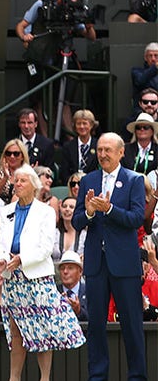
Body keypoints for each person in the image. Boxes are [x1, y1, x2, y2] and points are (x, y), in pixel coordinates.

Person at [0, 165, 85, 381]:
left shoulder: (46, 211)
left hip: (37, 278)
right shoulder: (5, 211)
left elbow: (45, 248)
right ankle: (14, 378)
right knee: (16, 332)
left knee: (42, 330)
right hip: (12, 278)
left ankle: (44, 378)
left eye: (22, 181)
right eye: (16, 180)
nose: (17, 184)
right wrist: (1, 259)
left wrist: (21, 259)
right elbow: (0, 244)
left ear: (34, 185)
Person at [72, 132, 148, 381]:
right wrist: (91, 212)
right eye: (100, 150)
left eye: (108, 150)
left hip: (124, 265)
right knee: (95, 326)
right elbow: (77, 220)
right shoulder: (88, 180)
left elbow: (137, 218)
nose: (102, 154)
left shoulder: (134, 180)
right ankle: (97, 377)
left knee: (132, 327)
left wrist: (111, 209)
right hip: (96, 264)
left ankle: (137, 377)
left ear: (120, 152)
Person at [55, 250, 88, 321]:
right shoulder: (54, 292)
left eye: (70, 268)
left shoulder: (89, 291)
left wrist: (78, 311)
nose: (65, 272)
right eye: (62, 268)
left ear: (80, 271)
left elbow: (95, 319)